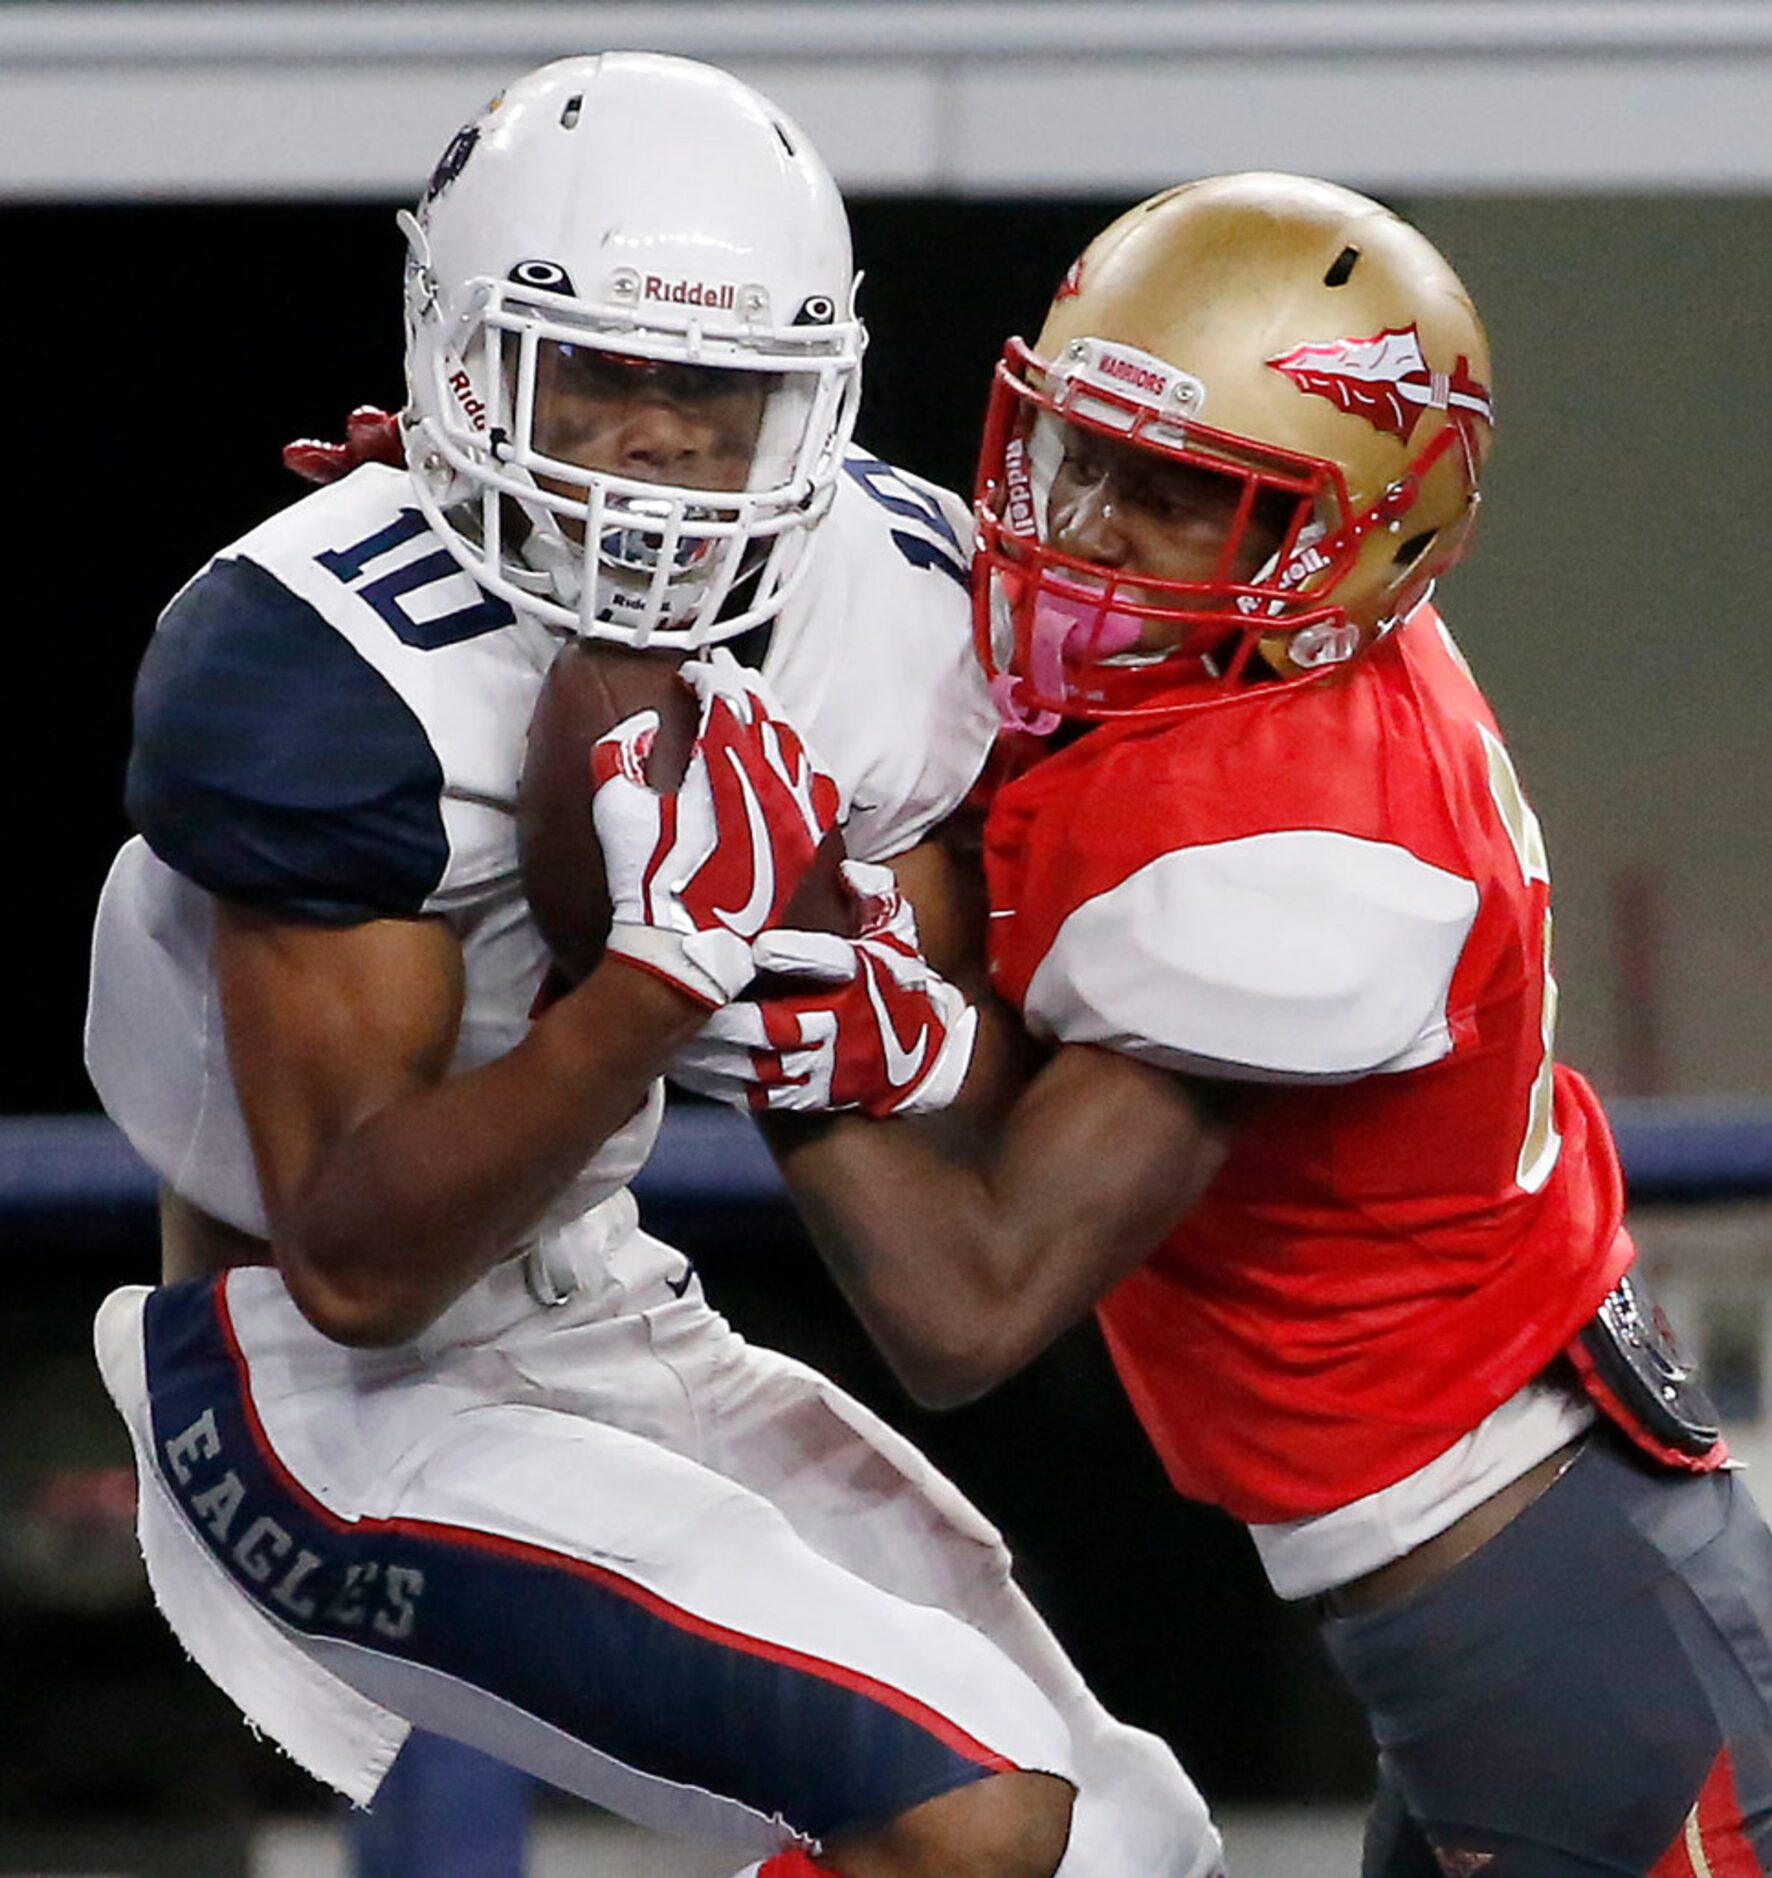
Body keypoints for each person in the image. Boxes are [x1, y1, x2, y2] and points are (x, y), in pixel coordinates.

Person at [83, 54, 1224, 1878]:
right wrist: (657, 982)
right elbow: (359, 1259)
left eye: (722, 389)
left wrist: (883, 969)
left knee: (1132, 1845)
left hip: (600, 1298)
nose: (664, 443)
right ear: (457, 357)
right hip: (316, 1388)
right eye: (601, 370)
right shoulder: (316, 665)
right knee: (974, 1817)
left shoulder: (892, 579)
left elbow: (948, 891)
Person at [665, 173, 1772, 1874]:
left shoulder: (1311, 851)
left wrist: (753, 952)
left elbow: (970, 1301)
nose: (1087, 526)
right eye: (1078, 450)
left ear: (1344, 548)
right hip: (1517, 1612)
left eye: (1175, 493)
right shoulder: (1249, 663)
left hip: (1580, 1657)